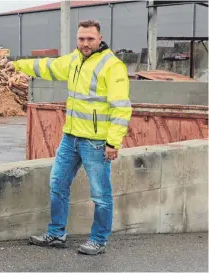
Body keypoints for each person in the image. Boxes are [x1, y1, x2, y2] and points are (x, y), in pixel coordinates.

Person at [9, 20, 132, 255]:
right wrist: (16, 65)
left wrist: (113, 142)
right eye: (81, 39)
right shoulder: (74, 59)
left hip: (96, 142)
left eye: (90, 39)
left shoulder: (112, 66)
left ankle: (99, 240)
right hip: (71, 137)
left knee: (100, 194)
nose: (85, 43)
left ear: (99, 39)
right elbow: (47, 66)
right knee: (57, 184)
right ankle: (56, 234)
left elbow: (121, 108)